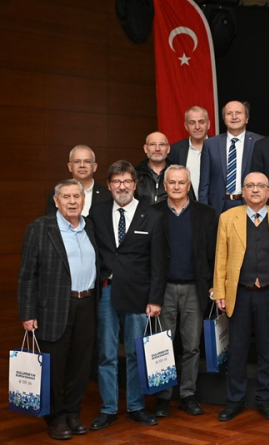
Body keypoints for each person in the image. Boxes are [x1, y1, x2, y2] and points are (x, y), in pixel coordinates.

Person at [88, 160, 166, 430]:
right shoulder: (96, 213)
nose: (122, 186)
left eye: (127, 181)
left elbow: (158, 263)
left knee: (135, 353)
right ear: (109, 185)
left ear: (135, 184)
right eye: (116, 181)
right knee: (106, 354)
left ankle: (136, 406)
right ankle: (108, 409)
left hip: (139, 295)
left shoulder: (152, 215)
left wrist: (155, 299)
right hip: (106, 293)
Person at [19, 179, 98, 440]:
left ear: (83, 200)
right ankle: (55, 418)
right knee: (54, 367)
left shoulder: (90, 227)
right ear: (56, 201)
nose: (72, 201)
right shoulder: (40, 229)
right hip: (52, 308)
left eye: (77, 196)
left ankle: (73, 413)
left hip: (86, 305)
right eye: (66, 197)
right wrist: (27, 313)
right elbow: (27, 276)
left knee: (80, 365)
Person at [213, 172, 269, 422]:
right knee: (237, 349)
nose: (255, 190)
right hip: (239, 293)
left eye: (261, 186)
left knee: (268, 349)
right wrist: (219, 291)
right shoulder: (227, 217)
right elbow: (220, 258)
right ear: (243, 191)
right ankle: (234, 400)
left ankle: (266, 399)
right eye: (250, 186)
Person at [152, 165, 218, 418]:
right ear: (165, 185)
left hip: (194, 288)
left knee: (191, 346)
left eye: (182, 182)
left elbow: (214, 254)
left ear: (189, 186)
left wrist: (213, 283)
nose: (177, 187)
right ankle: (163, 396)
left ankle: (188, 394)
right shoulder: (153, 213)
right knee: (163, 345)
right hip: (164, 290)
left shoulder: (206, 214)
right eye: (172, 182)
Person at [199, 100, 264, 214]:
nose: (234, 117)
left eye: (238, 113)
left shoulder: (259, 142)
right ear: (224, 119)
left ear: (247, 118)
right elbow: (204, 184)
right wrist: (204, 212)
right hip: (218, 207)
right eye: (229, 114)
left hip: (250, 204)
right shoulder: (210, 144)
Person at [45, 145, 109, 216]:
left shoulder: (108, 195)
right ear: (70, 167)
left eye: (87, 161)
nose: (82, 165)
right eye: (77, 162)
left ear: (94, 167)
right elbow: (50, 221)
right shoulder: (57, 194)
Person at [168, 106, 211, 201]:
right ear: (186, 126)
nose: (197, 127)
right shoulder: (175, 150)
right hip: (186, 205)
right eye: (192, 123)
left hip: (215, 207)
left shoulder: (219, 146)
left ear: (208, 124)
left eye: (201, 122)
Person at [135, 131, 172, 204]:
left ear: (168, 149)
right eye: (152, 144)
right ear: (146, 148)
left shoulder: (178, 173)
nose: (157, 149)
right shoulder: (135, 174)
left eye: (162, 144)